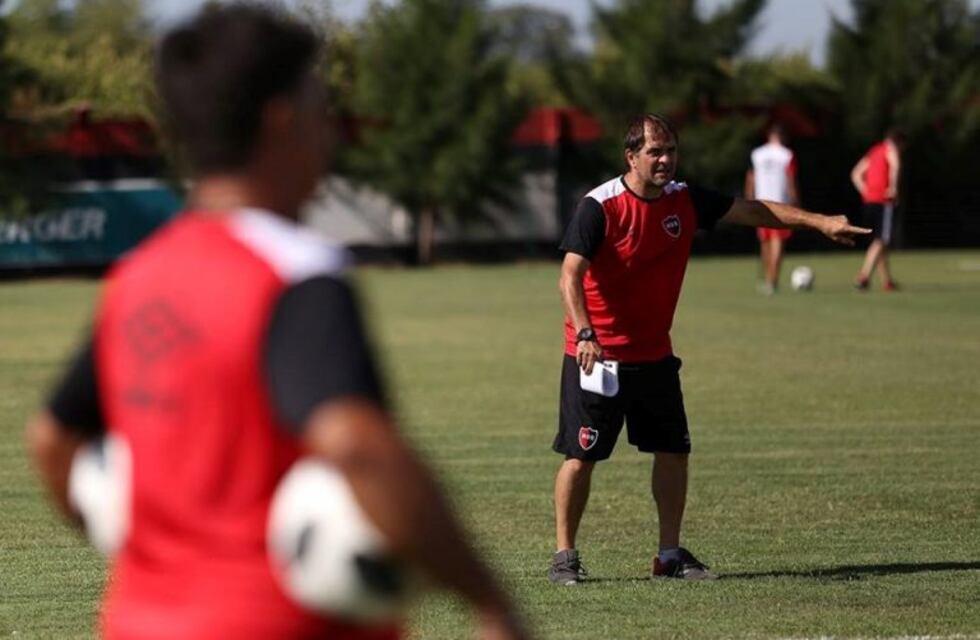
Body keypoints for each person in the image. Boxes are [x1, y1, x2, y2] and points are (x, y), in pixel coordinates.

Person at [25, 6, 526, 639]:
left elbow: (51, 439)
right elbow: (357, 446)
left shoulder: (138, 276)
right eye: (322, 106)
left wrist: (154, 550)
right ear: (282, 119)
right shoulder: (294, 273)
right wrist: (488, 600)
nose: (331, 128)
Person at [549, 114, 869, 585]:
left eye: (671, 150)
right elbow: (569, 277)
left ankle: (669, 556)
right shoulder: (599, 206)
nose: (665, 159)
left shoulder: (684, 200)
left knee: (673, 452)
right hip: (598, 357)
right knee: (581, 457)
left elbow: (755, 210)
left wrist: (820, 222)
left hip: (654, 355)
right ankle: (565, 556)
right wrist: (585, 333)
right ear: (631, 157)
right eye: (655, 151)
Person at [745, 124, 799, 295]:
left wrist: (748, 199)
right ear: (782, 137)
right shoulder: (787, 154)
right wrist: (796, 202)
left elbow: (750, 177)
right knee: (778, 240)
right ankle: (772, 280)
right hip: (780, 203)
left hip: (761, 202)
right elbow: (790, 180)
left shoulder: (757, 154)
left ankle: (769, 278)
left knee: (765, 241)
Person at [850, 128, 904, 291]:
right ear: (899, 142)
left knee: (878, 241)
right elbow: (895, 166)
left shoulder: (874, 151)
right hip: (883, 200)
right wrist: (893, 187)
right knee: (881, 240)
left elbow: (856, 174)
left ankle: (887, 281)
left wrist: (865, 191)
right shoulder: (891, 149)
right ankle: (864, 276)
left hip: (869, 201)